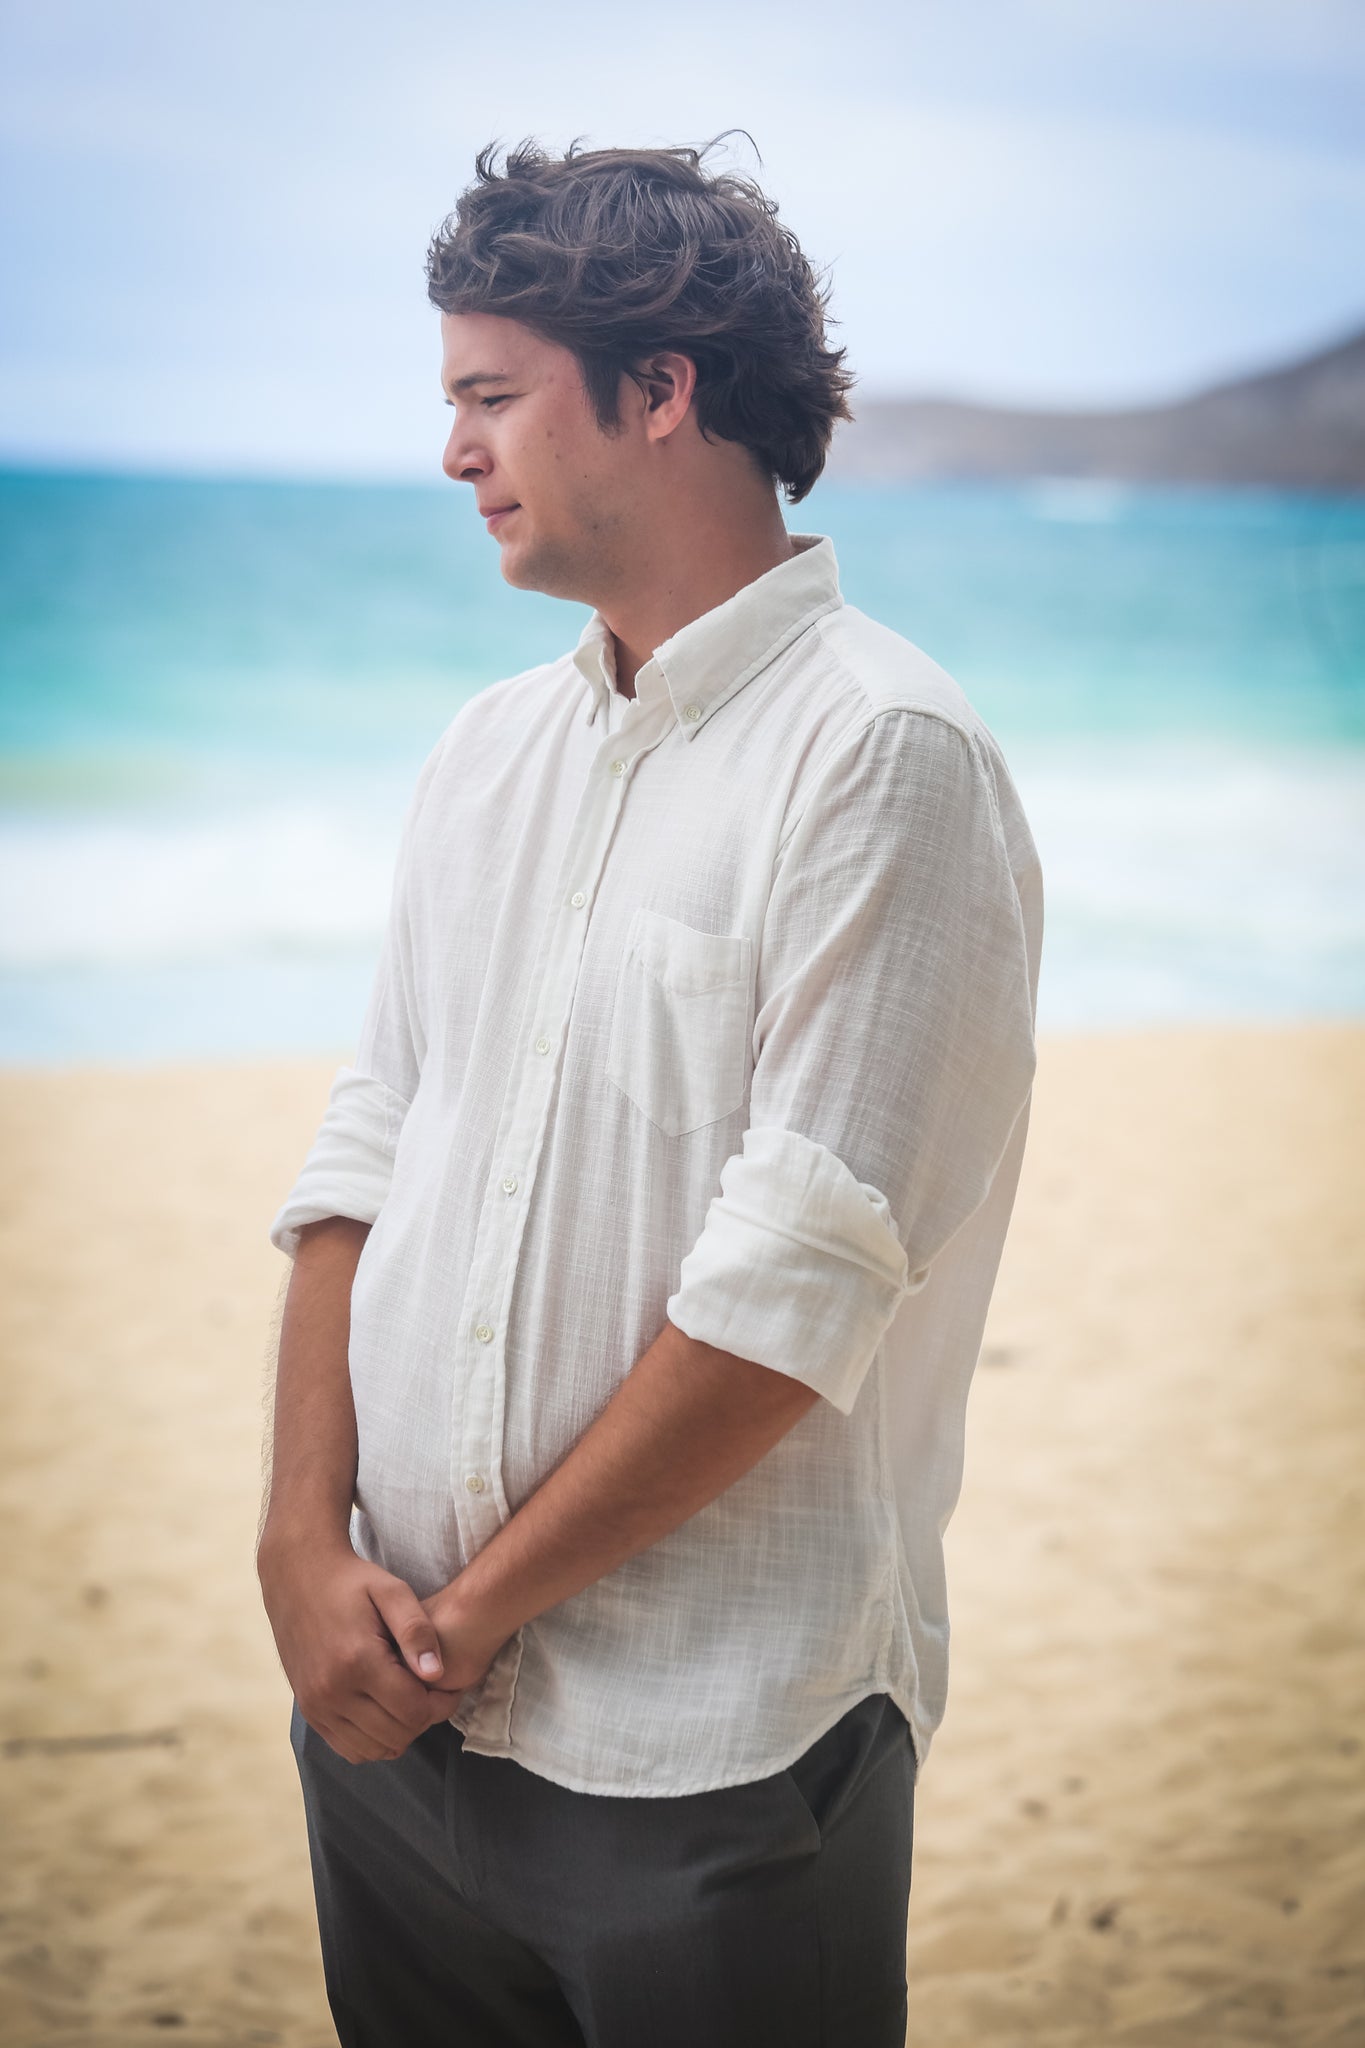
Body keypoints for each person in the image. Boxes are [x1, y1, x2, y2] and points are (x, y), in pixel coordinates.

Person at [258, 132, 1043, 2048]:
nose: (457, 451)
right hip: (388, 1728)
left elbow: (793, 1295)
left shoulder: (883, 757)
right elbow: (372, 1138)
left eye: (491, 396)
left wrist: (473, 1614)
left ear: (662, 391)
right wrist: (298, 1549)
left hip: (711, 1746)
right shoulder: (485, 750)